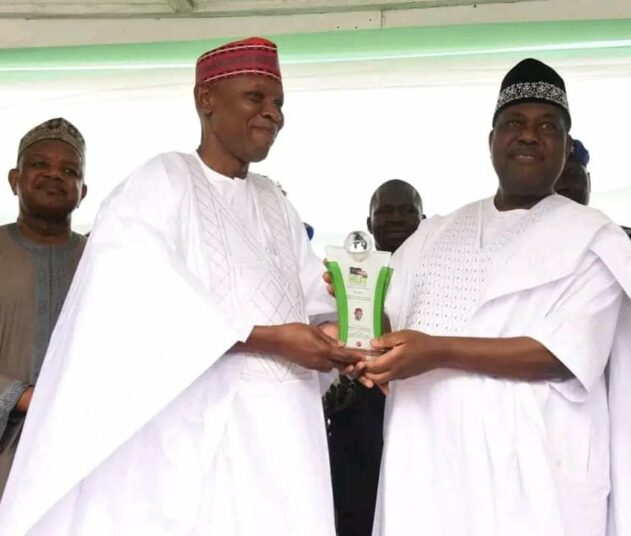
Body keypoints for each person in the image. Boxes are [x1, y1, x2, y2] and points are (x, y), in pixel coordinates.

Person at [0, 37, 361, 534]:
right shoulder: (161, 180)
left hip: (285, 430)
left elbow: (311, 296)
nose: (272, 114)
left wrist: (349, 323)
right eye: (255, 97)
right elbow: (141, 296)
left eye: (278, 103)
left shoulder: (275, 202)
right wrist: (270, 338)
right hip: (192, 438)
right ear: (206, 100)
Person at [347, 58, 631, 535]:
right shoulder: (437, 233)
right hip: (431, 465)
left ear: (566, 148)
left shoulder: (595, 239)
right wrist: (352, 310)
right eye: (514, 124)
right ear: (491, 142)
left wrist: (437, 350)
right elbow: (386, 320)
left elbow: (560, 356)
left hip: (540, 475)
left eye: (547, 126)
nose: (528, 135)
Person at [325, 179, 424, 536]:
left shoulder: (438, 273)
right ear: (369, 224)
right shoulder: (345, 273)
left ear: (423, 219)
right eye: (385, 210)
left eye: (406, 210)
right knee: (356, 507)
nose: (396, 217)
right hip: (362, 405)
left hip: (421, 400)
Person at [0, 118, 87, 494]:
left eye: (69, 170)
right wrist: (20, 395)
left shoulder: (104, 261)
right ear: (14, 179)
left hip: (82, 449)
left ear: (83, 192)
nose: (55, 175)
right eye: (40, 165)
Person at [555, 138, 631, 243]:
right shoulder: (529, 245)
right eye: (550, 178)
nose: (561, 185)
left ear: (589, 181)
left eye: (572, 174)